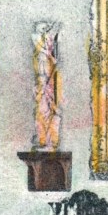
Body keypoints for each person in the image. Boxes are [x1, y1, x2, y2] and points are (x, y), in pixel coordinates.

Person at [31, 21, 62, 150]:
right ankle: (44, 140)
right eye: (43, 31)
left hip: (45, 88)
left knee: (47, 113)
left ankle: (48, 140)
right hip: (42, 88)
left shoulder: (45, 57)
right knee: (41, 113)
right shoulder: (40, 53)